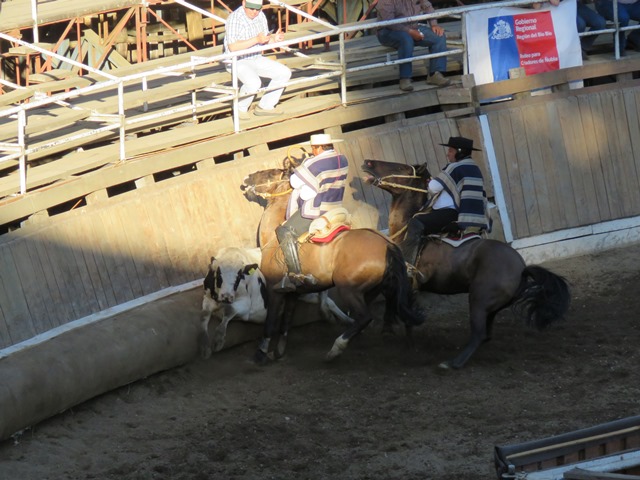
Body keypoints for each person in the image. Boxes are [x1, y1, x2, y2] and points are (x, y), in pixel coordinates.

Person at [399, 136, 490, 267]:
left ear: (460, 152)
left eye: (451, 151)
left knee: (415, 222)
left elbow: (433, 187)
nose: (448, 154)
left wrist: (430, 182)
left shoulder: (455, 167)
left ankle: (408, 264)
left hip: (450, 214)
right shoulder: (474, 168)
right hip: (466, 215)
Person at [274, 134, 350, 293]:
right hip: (335, 207)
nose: (312, 151)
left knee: (284, 231)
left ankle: (295, 276)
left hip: (317, 209)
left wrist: (302, 166)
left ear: (320, 147)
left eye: (313, 148)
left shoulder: (314, 162)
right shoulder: (342, 159)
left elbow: (295, 182)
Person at [223, 0, 292, 118]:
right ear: (244, 4)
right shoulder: (234, 18)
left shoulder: (261, 16)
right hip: (236, 60)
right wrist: (256, 40)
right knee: (254, 83)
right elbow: (233, 47)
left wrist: (274, 39)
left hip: (256, 57)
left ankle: (266, 106)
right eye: (251, 8)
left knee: (284, 73)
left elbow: (264, 39)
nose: (254, 12)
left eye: (258, 9)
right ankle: (239, 108)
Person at [375, 0, 451, 92]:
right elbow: (389, 22)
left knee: (439, 36)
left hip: (412, 27)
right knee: (406, 39)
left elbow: (428, 6)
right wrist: (410, 32)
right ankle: (405, 78)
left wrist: (434, 24)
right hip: (387, 31)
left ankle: (435, 74)